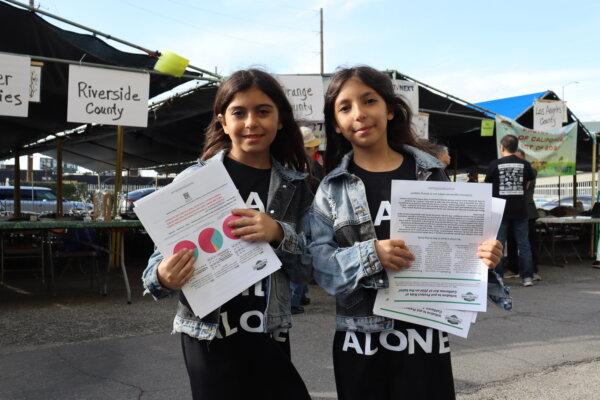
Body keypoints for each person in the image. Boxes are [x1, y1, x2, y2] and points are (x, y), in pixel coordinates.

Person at [308, 66, 503, 400]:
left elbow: (459, 246)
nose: (359, 114)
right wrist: (371, 255)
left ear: (389, 109)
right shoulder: (330, 189)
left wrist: (486, 255)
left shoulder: (428, 174)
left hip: (424, 334)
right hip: (360, 340)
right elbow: (319, 267)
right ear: (337, 124)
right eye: (345, 107)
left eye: (369, 100)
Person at [142, 69, 313, 400]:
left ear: (280, 120)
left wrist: (279, 233)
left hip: (269, 332)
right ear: (222, 121)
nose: (251, 122)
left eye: (263, 111)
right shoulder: (192, 181)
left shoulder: (297, 188)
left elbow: (309, 269)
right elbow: (153, 271)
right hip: (207, 338)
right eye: (239, 112)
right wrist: (164, 275)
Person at [485, 135, 536, 287]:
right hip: (520, 210)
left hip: (499, 211)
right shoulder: (525, 164)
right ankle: (527, 277)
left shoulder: (495, 164)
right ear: (516, 147)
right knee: (524, 244)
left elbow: (487, 184)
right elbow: (528, 182)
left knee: (498, 244)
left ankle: (498, 277)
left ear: (502, 147)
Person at [290, 126, 324, 314]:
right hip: (307, 215)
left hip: (295, 215)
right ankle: (294, 299)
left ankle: (300, 295)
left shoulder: (287, 165)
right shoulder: (312, 167)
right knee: (302, 254)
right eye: (310, 147)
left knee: (301, 253)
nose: (313, 150)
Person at [505, 149, 541, 280]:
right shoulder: (509, 170)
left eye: (518, 158)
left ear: (524, 159)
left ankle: (533, 270)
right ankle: (513, 269)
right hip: (511, 209)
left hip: (528, 211)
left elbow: (523, 187)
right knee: (512, 242)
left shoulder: (531, 170)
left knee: (529, 242)